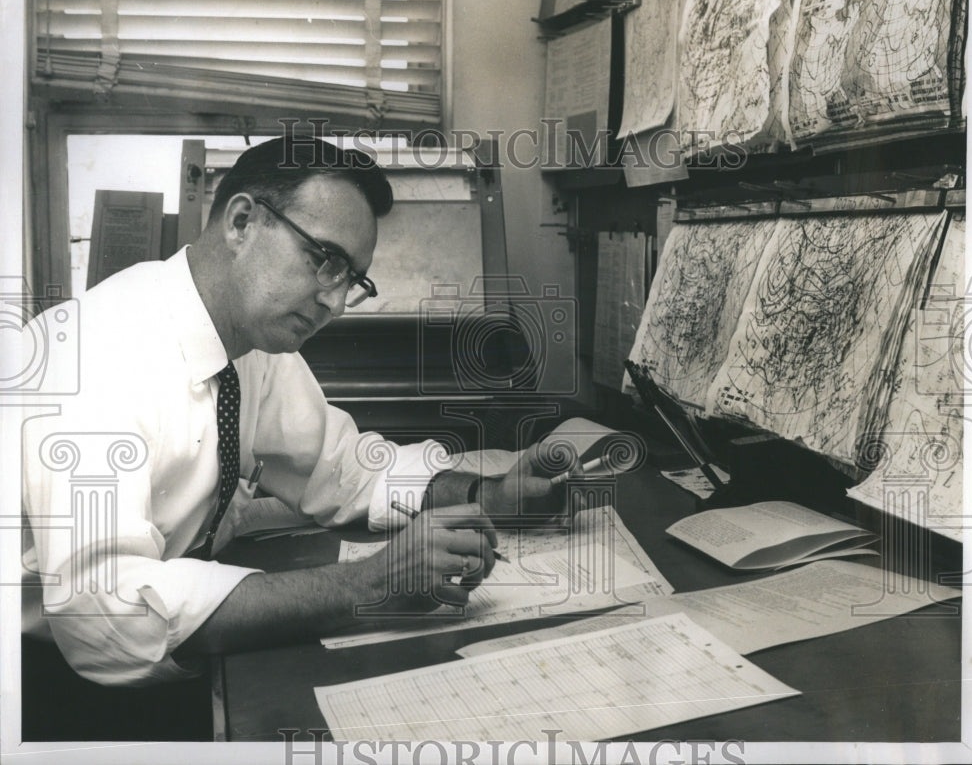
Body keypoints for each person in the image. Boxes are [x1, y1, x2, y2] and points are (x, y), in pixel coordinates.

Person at [21, 137, 567, 702]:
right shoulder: (93, 353)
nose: (333, 302)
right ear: (241, 223)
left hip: (175, 654)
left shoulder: (249, 344)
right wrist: (371, 582)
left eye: (352, 278)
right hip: (45, 694)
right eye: (324, 260)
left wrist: (493, 493)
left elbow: (346, 469)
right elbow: (104, 612)